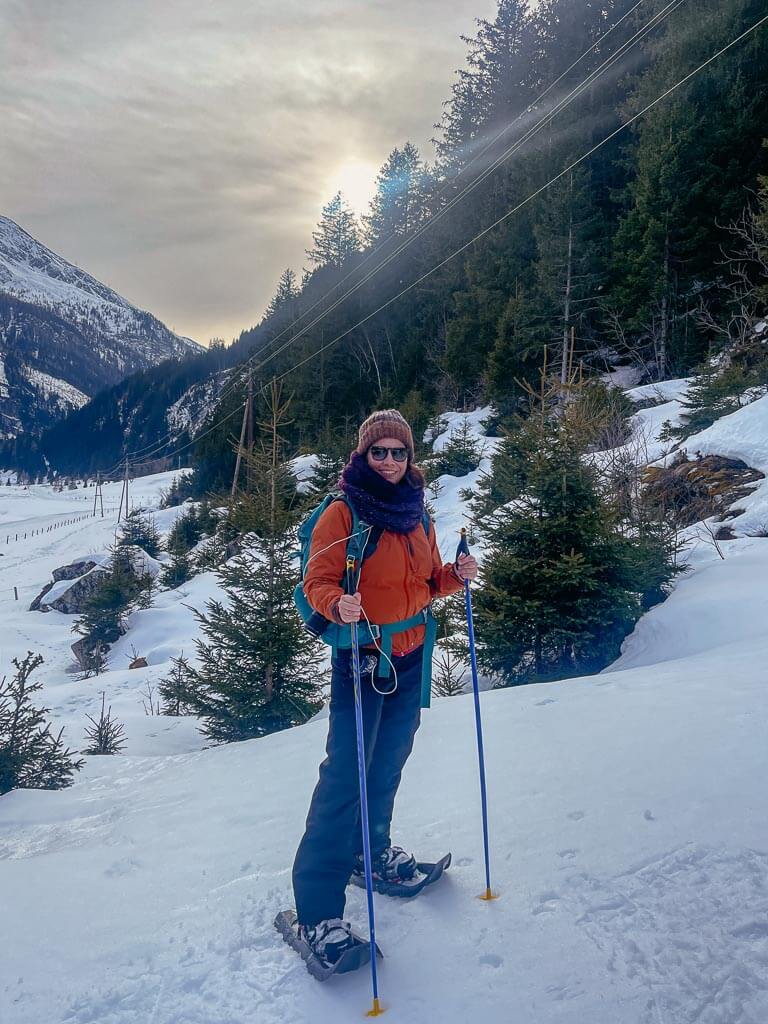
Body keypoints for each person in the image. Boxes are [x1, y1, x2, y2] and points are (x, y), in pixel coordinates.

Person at [290, 409, 478, 966]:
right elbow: (316, 582)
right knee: (346, 776)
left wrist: (454, 577)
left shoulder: (417, 512)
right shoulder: (342, 512)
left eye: (399, 452)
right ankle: (318, 913)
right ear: (363, 455)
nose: (391, 461)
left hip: (413, 651)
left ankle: (368, 854)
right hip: (362, 656)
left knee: (389, 760)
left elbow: (425, 582)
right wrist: (336, 603)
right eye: (380, 452)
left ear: (409, 457)